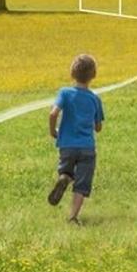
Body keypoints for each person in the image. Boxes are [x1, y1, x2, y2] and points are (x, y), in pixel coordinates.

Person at [47, 54, 105, 225]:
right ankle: (72, 217)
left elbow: (53, 113)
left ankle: (64, 177)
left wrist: (53, 131)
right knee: (82, 184)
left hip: (67, 145)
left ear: (72, 72)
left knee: (66, 171)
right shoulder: (95, 99)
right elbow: (98, 127)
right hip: (87, 147)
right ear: (94, 74)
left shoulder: (64, 93)